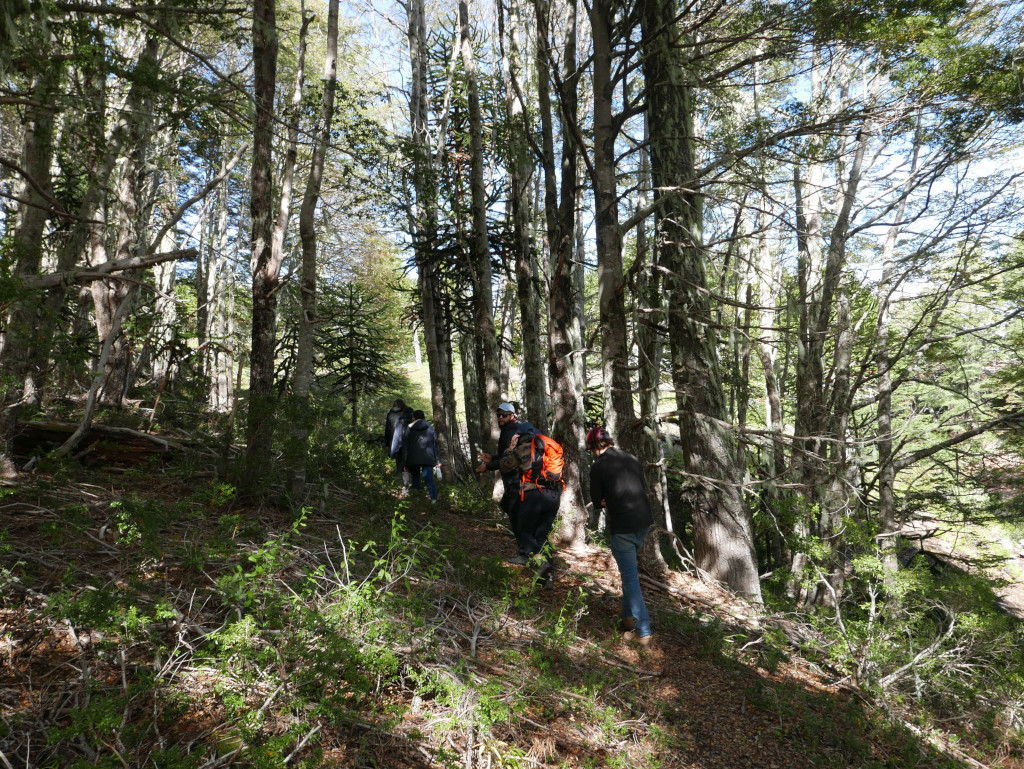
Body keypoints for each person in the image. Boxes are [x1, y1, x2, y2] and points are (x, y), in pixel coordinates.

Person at [587, 425, 654, 648]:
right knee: (629, 572)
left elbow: (597, 501)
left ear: (593, 447)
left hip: (623, 526)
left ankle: (643, 631)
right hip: (643, 522)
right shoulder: (632, 458)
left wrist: (606, 500)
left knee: (630, 577)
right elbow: (640, 487)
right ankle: (627, 617)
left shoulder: (598, 467)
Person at [509, 422, 561, 588]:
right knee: (542, 535)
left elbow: (505, 465)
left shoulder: (523, 448)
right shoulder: (547, 449)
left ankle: (539, 562)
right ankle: (548, 579)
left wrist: (510, 448)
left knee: (524, 530)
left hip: (533, 494)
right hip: (553, 495)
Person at [474, 402, 524, 546]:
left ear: (512, 415)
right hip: (513, 478)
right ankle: (525, 545)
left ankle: (525, 549)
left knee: (515, 511)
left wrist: (488, 466)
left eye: (504, 415)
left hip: (516, 478)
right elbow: (505, 455)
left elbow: (510, 459)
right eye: (498, 415)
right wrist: (492, 457)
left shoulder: (512, 430)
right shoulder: (509, 428)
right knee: (507, 505)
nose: (500, 418)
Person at [400, 410, 441, 503]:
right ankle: (433, 499)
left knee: (415, 477)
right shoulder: (430, 428)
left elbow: (405, 446)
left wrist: (405, 462)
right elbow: (435, 445)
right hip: (428, 457)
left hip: (413, 458)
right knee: (429, 479)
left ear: (413, 418)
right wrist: (438, 460)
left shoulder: (409, 428)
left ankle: (416, 499)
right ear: (423, 417)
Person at [384, 398, 414, 476]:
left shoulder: (390, 413)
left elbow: (387, 429)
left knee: (398, 457)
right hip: (407, 437)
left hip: (394, 439)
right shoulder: (408, 411)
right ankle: (408, 475)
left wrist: (387, 444)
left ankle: (400, 474)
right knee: (408, 456)